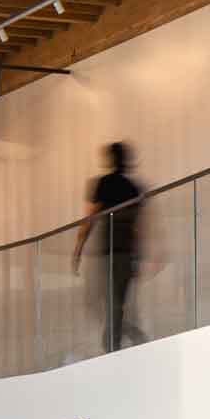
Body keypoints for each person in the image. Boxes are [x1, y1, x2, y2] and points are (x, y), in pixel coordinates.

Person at [70, 141, 148, 355]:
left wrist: (78, 248)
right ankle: (125, 338)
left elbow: (90, 218)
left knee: (108, 302)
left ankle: (113, 345)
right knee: (115, 302)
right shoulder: (133, 187)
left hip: (111, 253)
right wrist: (138, 257)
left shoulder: (104, 183)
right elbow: (136, 226)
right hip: (124, 253)